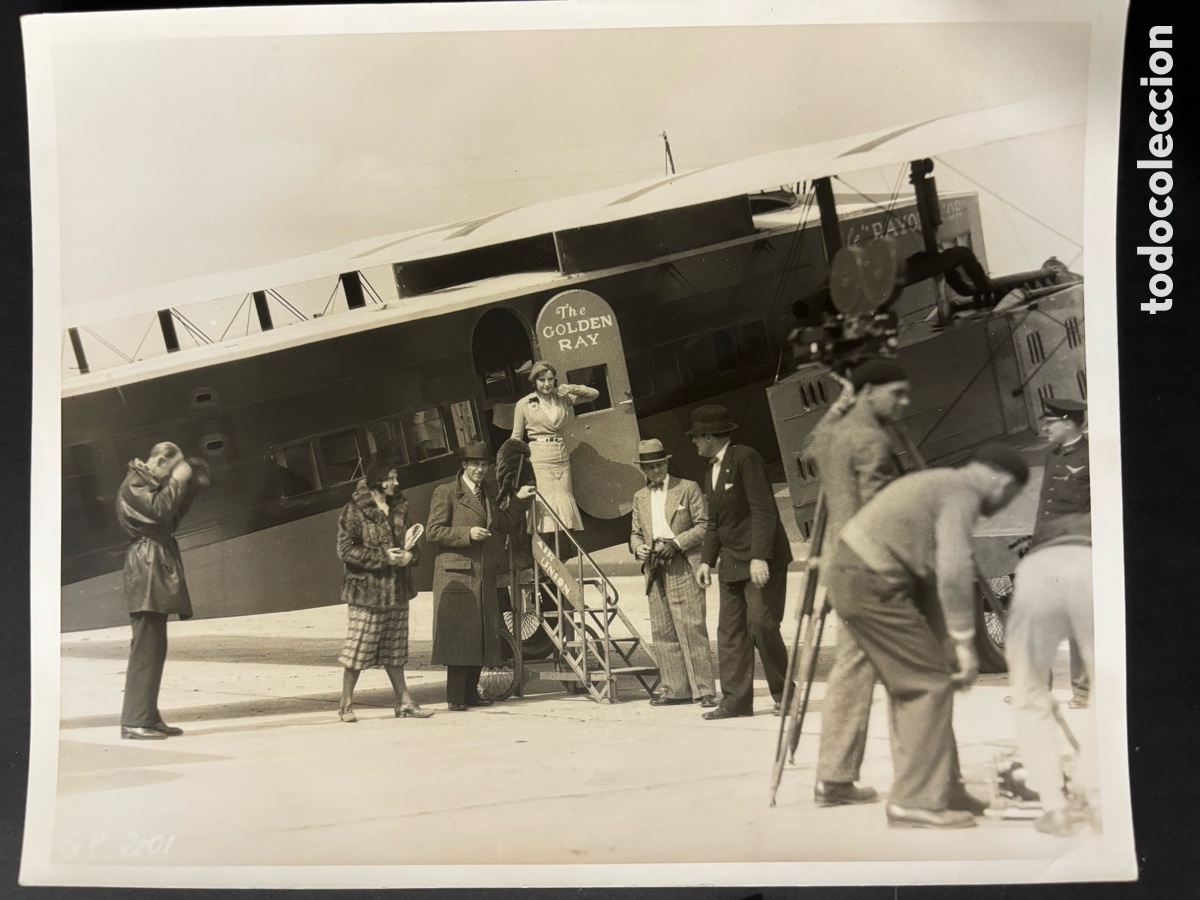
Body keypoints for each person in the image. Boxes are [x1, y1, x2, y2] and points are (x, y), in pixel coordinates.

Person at [826, 444, 1029, 828]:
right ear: (1000, 481)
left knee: (931, 678)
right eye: (1009, 497)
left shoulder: (941, 484)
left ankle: (945, 788)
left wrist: (949, 645)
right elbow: (955, 571)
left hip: (859, 576)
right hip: (869, 582)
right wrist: (966, 642)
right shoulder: (963, 492)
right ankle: (914, 802)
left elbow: (931, 572)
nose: (1002, 507)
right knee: (926, 686)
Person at [802, 359, 912, 808]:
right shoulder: (871, 441)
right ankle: (919, 778)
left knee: (850, 671)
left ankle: (834, 776)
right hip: (875, 574)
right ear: (871, 391)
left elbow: (810, 447)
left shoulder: (834, 436)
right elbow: (880, 515)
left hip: (842, 573)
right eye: (897, 393)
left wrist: (839, 405)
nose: (905, 403)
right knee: (912, 673)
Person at [688, 405, 793, 720]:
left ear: (710, 436)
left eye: (697, 437)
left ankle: (785, 693)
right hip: (732, 561)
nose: (694, 443)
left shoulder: (746, 458)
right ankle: (735, 702)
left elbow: (763, 510)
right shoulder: (712, 469)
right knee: (731, 632)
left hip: (760, 560)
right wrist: (707, 560)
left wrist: (760, 556)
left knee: (761, 624)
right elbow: (714, 522)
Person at [428, 441, 536, 710]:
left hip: (482, 573)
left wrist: (520, 499)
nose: (480, 469)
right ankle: (455, 697)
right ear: (464, 464)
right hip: (458, 575)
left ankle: (471, 694)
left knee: (479, 635)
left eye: (484, 464)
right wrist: (467, 534)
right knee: (459, 636)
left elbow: (503, 523)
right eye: (474, 463)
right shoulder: (446, 492)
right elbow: (433, 531)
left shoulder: (488, 491)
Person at [115, 441, 209, 740]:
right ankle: (134, 720)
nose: (169, 479)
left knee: (154, 647)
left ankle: (148, 716)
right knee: (146, 648)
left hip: (154, 562)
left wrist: (188, 484)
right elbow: (159, 511)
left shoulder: (148, 482)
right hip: (147, 564)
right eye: (169, 471)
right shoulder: (135, 482)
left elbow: (171, 515)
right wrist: (178, 480)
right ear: (158, 461)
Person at [1005, 537, 1098, 836]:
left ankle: (1054, 808)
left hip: (1041, 566)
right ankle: (1094, 798)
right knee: (1108, 690)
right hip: (1093, 562)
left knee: (1029, 693)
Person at [335, 458, 431, 722]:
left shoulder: (399, 508)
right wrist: (383, 557)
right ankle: (345, 705)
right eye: (392, 477)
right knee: (358, 651)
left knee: (396, 651)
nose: (396, 482)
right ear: (379, 480)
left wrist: (410, 557)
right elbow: (345, 550)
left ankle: (405, 702)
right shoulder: (353, 511)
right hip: (367, 594)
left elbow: (412, 544)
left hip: (398, 591)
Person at [629, 439, 717, 708]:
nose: (655, 471)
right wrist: (639, 548)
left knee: (691, 626)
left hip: (681, 562)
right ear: (643, 469)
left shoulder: (687, 488)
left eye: (658, 465)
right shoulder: (640, 497)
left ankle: (704, 691)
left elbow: (705, 525)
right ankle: (674, 689)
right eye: (649, 467)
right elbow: (634, 533)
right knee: (663, 629)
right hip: (655, 565)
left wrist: (677, 543)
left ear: (666, 463)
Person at [1031, 397, 1092, 708]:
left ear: (1068, 422)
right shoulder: (1051, 456)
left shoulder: (1091, 453)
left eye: (1050, 422)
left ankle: (1082, 692)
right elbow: (1045, 504)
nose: (1044, 428)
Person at [510, 361, 599, 533]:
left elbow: (594, 394)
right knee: (545, 505)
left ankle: (566, 550)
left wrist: (571, 388)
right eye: (542, 380)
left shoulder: (562, 398)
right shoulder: (524, 404)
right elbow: (516, 438)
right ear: (534, 382)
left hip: (561, 457)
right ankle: (549, 551)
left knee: (564, 503)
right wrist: (513, 466)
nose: (547, 384)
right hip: (539, 461)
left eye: (550, 379)